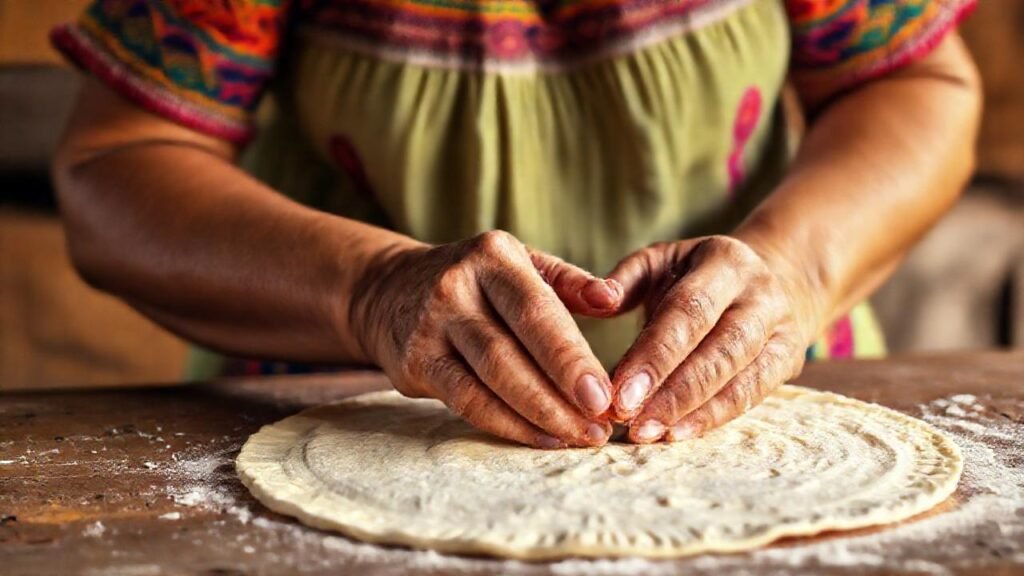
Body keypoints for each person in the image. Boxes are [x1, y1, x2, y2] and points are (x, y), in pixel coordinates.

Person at [50, 0, 981, 449]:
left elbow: (910, 84)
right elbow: (113, 169)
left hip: (764, 406)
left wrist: (795, 271)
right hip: (351, 420)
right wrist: (371, 289)